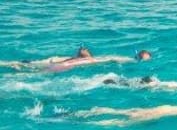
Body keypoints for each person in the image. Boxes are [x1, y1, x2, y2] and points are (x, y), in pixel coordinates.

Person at [1, 47, 151, 72]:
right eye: (81, 49)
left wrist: (138, 58)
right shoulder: (70, 58)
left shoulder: (98, 59)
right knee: (26, 67)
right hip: (62, 65)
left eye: (84, 48)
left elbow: (120, 59)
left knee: (32, 73)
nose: (82, 49)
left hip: (63, 66)